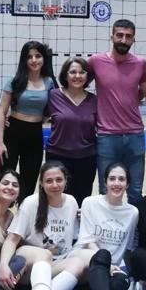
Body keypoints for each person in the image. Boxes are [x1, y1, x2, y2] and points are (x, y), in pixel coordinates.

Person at [2, 161, 91, 290]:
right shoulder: (31, 203)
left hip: (55, 264)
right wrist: (4, 265)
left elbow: (75, 239)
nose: (55, 185)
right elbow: (12, 239)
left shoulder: (71, 202)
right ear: (41, 184)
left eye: (59, 180)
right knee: (45, 254)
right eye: (49, 181)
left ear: (66, 181)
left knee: (79, 263)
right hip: (29, 263)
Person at [88, 18, 146, 202]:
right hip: (106, 136)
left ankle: (135, 223)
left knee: (135, 191)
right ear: (112, 37)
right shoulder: (95, 61)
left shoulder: (141, 63)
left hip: (135, 135)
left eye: (128, 36)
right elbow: (77, 85)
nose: (123, 40)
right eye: (119, 35)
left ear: (133, 39)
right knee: (106, 189)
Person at [0, 40, 54, 200]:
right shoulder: (14, 81)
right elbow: (1, 112)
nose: (34, 60)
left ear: (44, 58)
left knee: (29, 184)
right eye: (29, 57)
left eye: (38, 56)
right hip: (12, 133)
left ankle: (23, 214)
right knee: (4, 180)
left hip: (35, 135)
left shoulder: (49, 82)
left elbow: (51, 110)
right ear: (24, 59)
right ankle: (1, 214)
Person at [45, 57, 98, 206]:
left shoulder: (95, 100)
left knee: (80, 202)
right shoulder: (53, 95)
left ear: (87, 76)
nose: (77, 76)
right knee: (55, 200)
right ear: (65, 75)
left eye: (82, 72)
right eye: (73, 72)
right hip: (57, 157)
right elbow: (35, 112)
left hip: (86, 158)